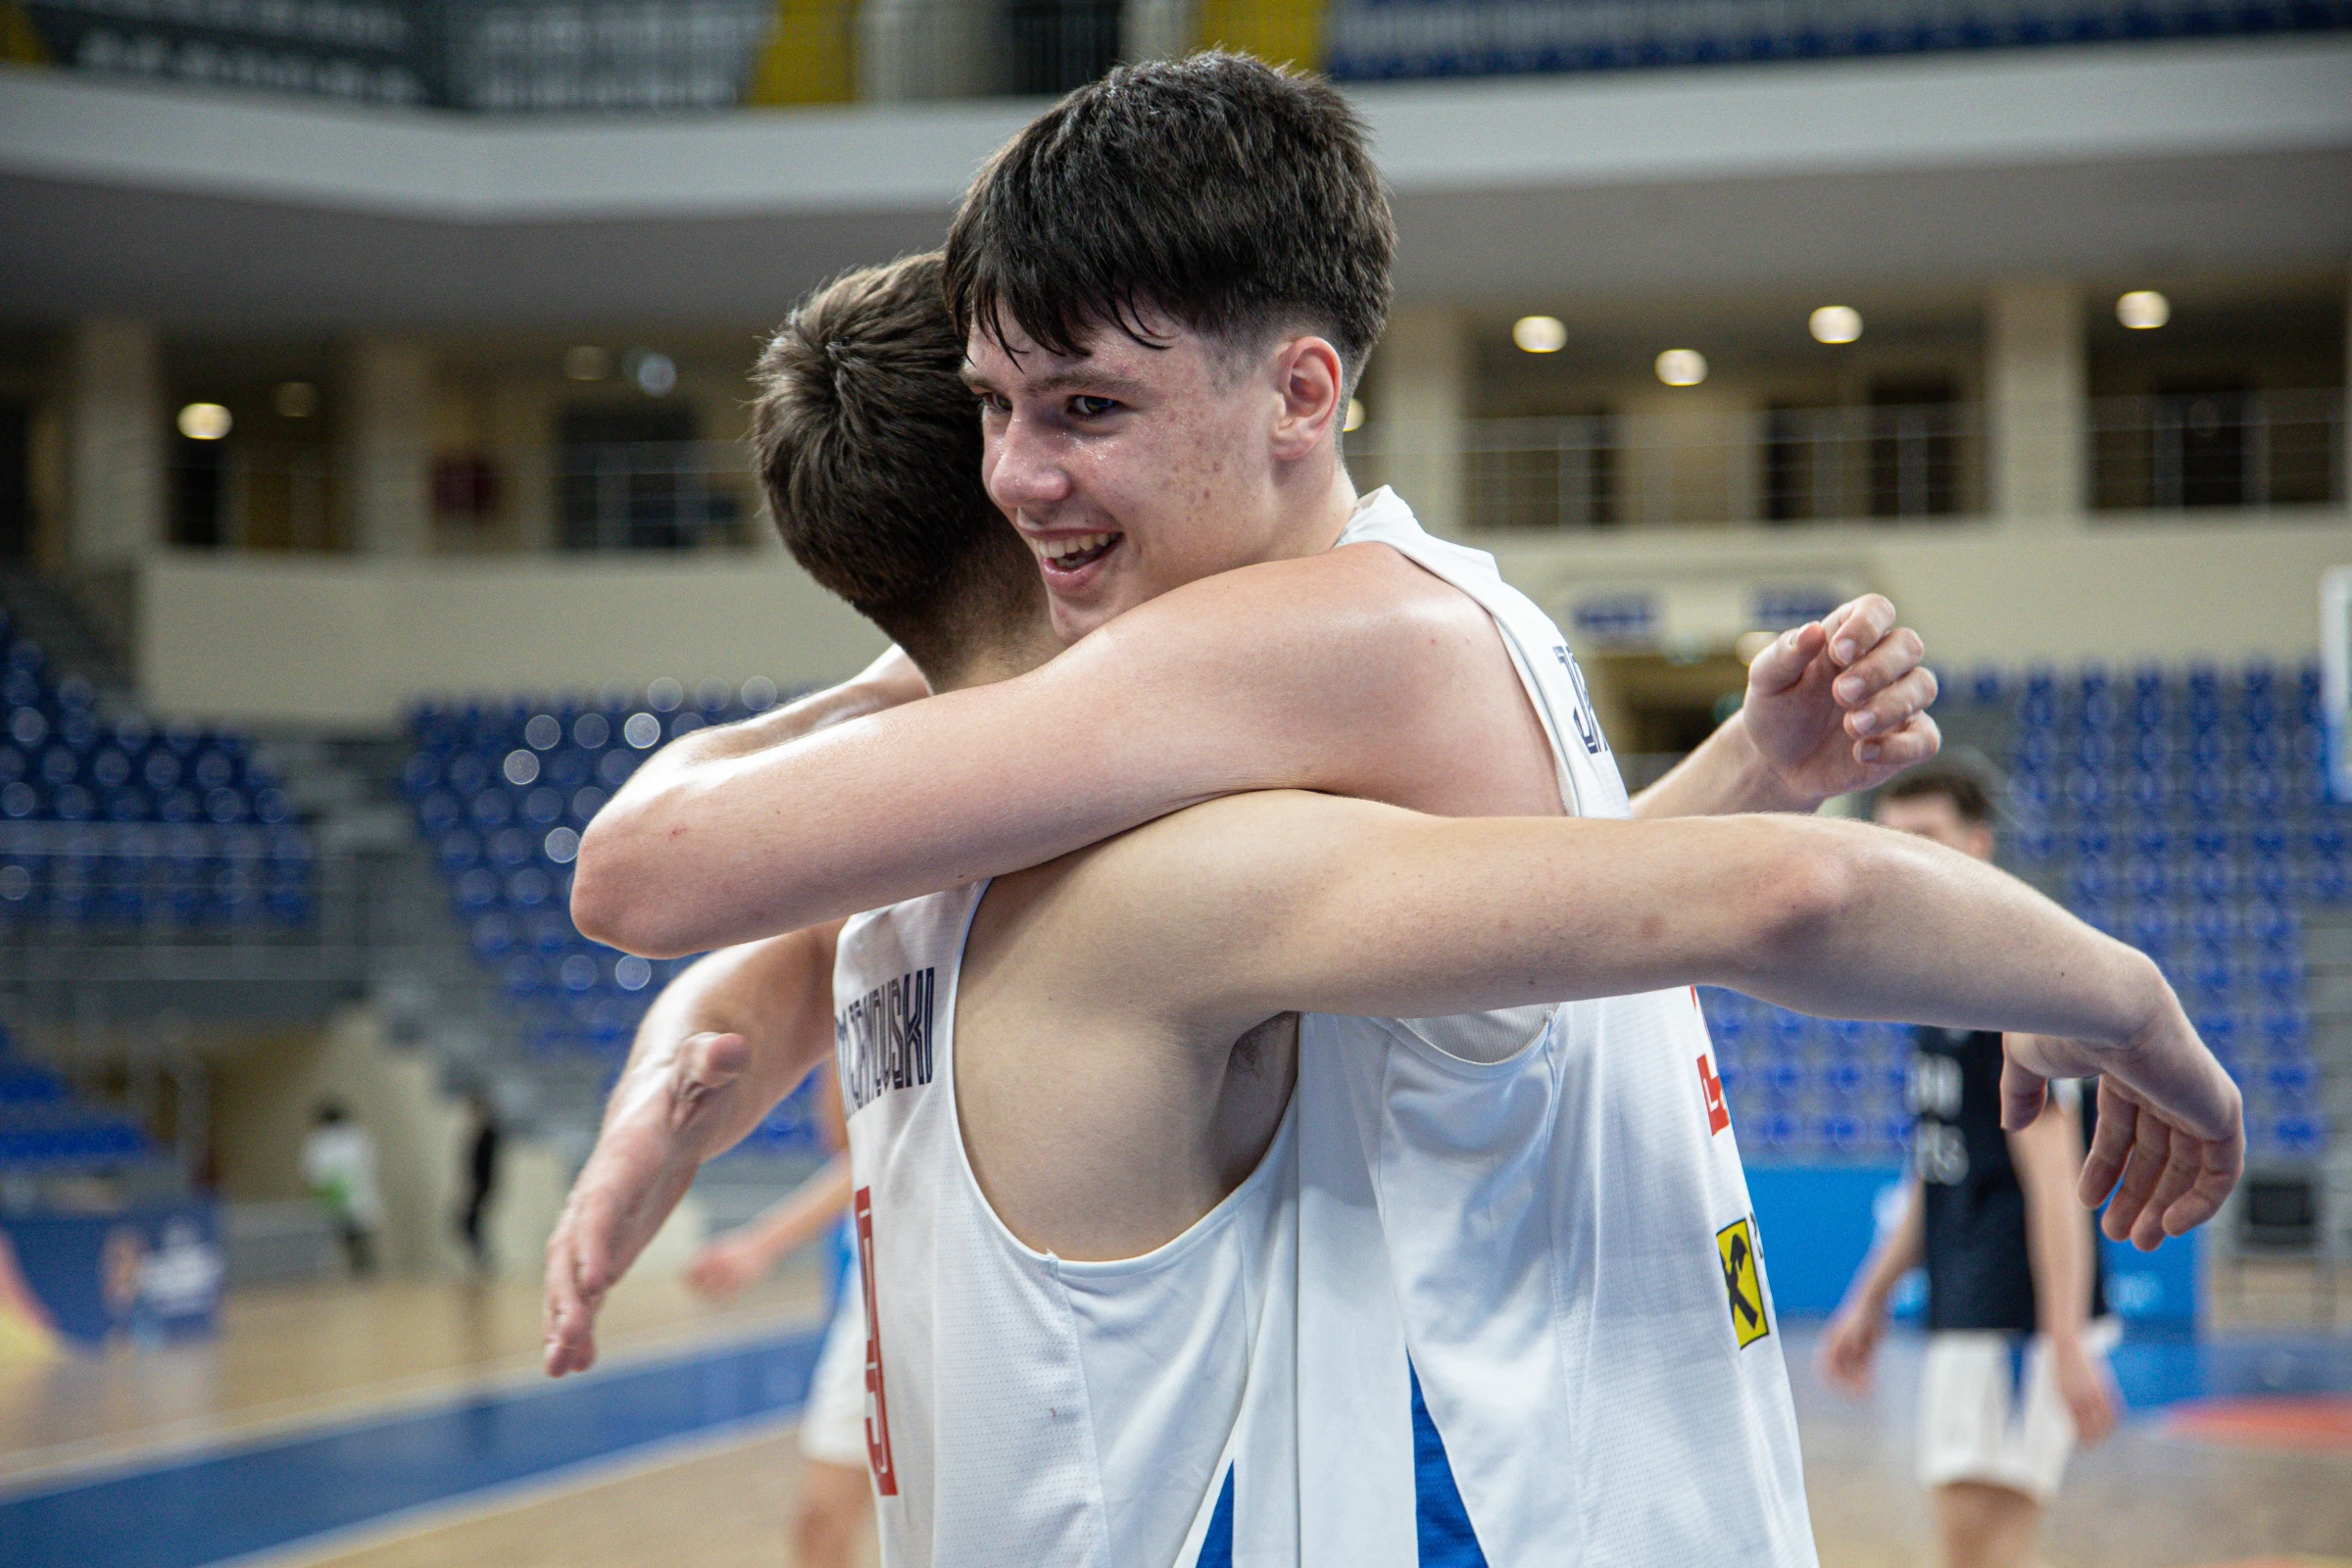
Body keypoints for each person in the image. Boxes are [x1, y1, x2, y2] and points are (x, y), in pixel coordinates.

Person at [545, 240, 2236, 1566]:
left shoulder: (870, 908)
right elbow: (1780, 899)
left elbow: (1513, 946)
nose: (1054, 452)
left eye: (1078, 406)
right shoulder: (1183, 868)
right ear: (1025, 509)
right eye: (1036, 413)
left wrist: (1742, 768)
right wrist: (2114, 998)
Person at [1820, 768, 2125, 1568]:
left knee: (1979, 1549)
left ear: (1977, 844)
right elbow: (1939, 1168)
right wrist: (1869, 1298)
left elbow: (2056, 1180)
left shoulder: (2015, 980)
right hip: (1972, 1302)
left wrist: (2063, 1337)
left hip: (2012, 1314)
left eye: (1926, 838)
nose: (1905, 860)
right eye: (1891, 841)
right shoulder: (1937, 984)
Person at [680, 1068, 869, 1568]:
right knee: (819, 1521)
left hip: (964, 1303)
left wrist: (762, 1242)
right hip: (872, 1311)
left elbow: (880, 1152)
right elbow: (847, 1143)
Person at [302, 1102, 380, 1278]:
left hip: (341, 1198)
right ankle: (360, 1271)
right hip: (345, 1198)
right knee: (354, 1239)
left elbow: (311, 1173)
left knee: (350, 1238)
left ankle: (358, 1271)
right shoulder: (356, 1136)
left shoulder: (320, 1141)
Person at [457, 1090, 501, 1270]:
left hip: (482, 1184)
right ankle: (481, 1256)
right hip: (477, 1184)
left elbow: (488, 1164)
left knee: (471, 1221)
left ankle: (483, 1257)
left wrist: (481, 1186)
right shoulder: (478, 1133)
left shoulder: (489, 1134)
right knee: (469, 1222)